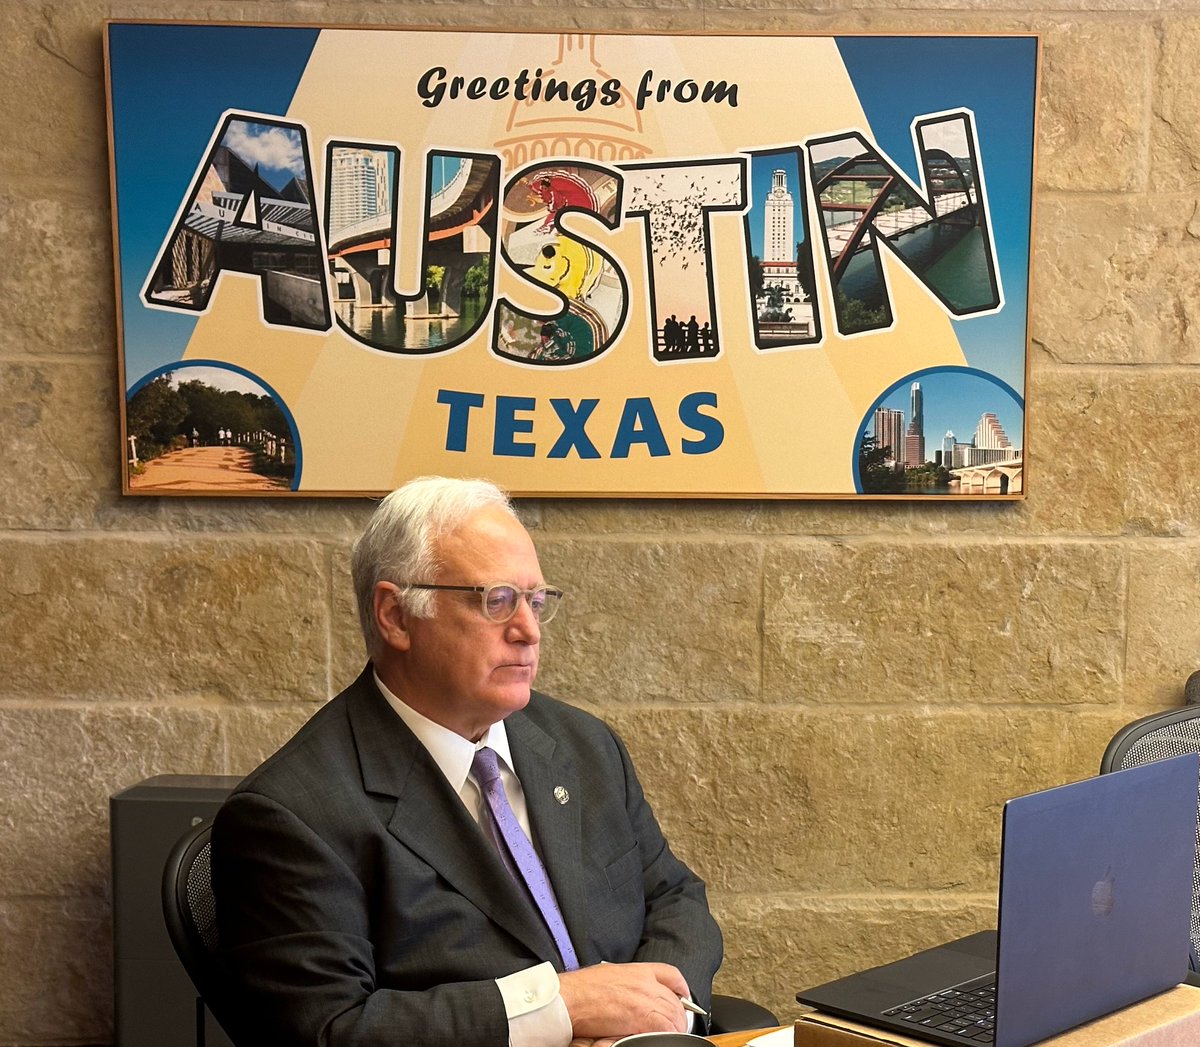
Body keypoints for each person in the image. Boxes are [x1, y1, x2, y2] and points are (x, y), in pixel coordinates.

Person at [211, 476, 722, 1047]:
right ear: (396, 616)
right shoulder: (293, 816)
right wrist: (559, 1007)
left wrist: (657, 1020)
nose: (528, 630)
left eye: (535, 600)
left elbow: (676, 899)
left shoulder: (581, 744)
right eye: (495, 600)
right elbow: (332, 1030)